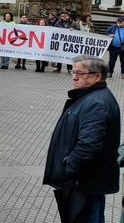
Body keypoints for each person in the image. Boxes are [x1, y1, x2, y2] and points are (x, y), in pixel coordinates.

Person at [43, 55, 120, 223]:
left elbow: (88, 146)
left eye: (80, 73)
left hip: (85, 183)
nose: (75, 76)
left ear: (97, 76)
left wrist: (68, 167)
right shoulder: (91, 97)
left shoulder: (96, 103)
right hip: (87, 181)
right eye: (73, 72)